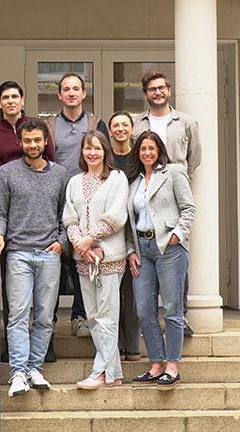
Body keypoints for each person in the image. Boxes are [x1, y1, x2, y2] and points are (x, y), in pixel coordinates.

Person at [0, 118, 68, 397]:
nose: (32, 145)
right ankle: (18, 373)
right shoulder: (7, 173)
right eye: (27, 140)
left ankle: (35, 368)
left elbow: (66, 216)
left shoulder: (60, 174)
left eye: (37, 140)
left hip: (49, 253)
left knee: (45, 317)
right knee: (18, 315)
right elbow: (0, 213)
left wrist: (61, 243)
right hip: (18, 253)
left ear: (46, 141)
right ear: (19, 142)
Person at [0, 81, 56, 362]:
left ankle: (44, 345)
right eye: (5, 97)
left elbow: (51, 167)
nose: (10, 101)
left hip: (40, 216)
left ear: (22, 100)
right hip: (7, 211)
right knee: (13, 293)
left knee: (46, 296)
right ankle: (13, 346)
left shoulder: (35, 128)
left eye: (15, 96)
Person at [125, 130, 196, 389]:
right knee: (144, 309)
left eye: (151, 149)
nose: (147, 153)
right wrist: (131, 250)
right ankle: (156, 363)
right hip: (142, 248)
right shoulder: (132, 180)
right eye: (143, 149)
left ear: (159, 151)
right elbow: (129, 221)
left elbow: (189, 208)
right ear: (138, 152)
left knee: (172, 309)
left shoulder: (174, 173)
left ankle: (172, 366)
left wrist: (177, 234)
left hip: (169, 247)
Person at [133, 70, 201, 336]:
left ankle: (179, 317)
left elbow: (194, 158)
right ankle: (149, 325)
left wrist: (179, 181)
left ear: (169, 90)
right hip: (146, 192)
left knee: (178, 260)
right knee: (147, 262)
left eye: (162, 88)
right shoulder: (138, 124)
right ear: (146, 94)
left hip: (173, 195)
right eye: (152, 89)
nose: (157, 92)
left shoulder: (186, 122)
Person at [63, 130, 129, 389]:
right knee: (92, 317)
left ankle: (101, 372)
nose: (92, 152)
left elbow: (116, 216)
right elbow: (69, 218)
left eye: (97, 148)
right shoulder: (74, 182)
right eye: (87, 148)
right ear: (82, 152)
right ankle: (115, 374)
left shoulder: (116, 178)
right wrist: (82, 245)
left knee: (107, 316)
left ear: (105, 151)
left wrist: (90, 239)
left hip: (110, 259)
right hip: (84, 260)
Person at [45, 73, 109, 341]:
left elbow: (106, 158)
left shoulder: (96, 123)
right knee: (57, 257)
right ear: (59, 95)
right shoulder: (48, 126)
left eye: (76, 89)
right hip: (56, 197)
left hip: (89, 198)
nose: (71, 93)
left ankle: (80, 316)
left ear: (84, 94)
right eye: (66, 90)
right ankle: (49, 319)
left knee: (83, 256)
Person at [109, 111, 141, 362]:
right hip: (111, 229)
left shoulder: (139, 156)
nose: (120, 129)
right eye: (115, 126)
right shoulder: (106, 157)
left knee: (132, 289)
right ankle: (116, 343)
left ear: (132, 129)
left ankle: (132, 344)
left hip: (136, 227)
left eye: (124, 125)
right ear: (110, 131)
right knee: (112, 290)